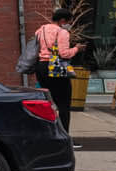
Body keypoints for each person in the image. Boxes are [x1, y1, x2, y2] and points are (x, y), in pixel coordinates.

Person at [33, 8, 82, 144]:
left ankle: (48, 134)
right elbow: (64, 53)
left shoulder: (40, 30)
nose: (69, 25)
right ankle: (64, 137)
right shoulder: (62, 32)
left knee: (48, 103)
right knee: (64, 104)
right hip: (56, 68)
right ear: (62, 21)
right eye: (69, 22)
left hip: (41, 67)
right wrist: (77, 48)